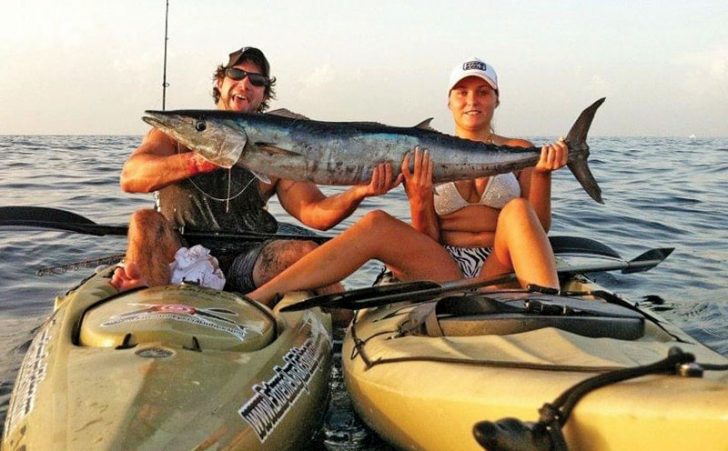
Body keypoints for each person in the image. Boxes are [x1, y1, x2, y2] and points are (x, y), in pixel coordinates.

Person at [247, 57, 567, 305]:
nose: (472, 100)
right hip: (445, 267)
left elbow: (538, 226)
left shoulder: (521, 151)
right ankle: (259, 298)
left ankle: (551, 310)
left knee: (517, 210)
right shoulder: (421, 151)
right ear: (449, 101)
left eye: (483, 91)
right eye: (463, 92)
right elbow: (427, 236)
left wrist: (541, 174)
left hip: (503, 264)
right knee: (375, 222)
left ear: (497, 99)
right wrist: (418, 197)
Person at [111, 46, 402, 300]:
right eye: (237, 75)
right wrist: (202, 159)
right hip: (180, 252)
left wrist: (361, 191)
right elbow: (132, 177)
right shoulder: (176, 133)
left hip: (247, 260)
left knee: (305, 254)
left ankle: (346, 328)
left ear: (264, 93)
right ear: (220, 82)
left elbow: (315, 213)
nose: (245, 84)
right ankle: (144, 305)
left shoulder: (276, 146)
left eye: (257, 80)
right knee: (143, 221)